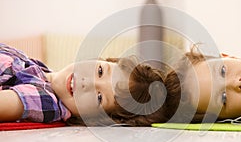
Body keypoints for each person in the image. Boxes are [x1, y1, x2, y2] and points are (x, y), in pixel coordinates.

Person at [0, 43, 170, 126]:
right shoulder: (37, 67)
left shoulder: (45, 100)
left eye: (99, 97)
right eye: (101, 71)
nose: (87, 82)